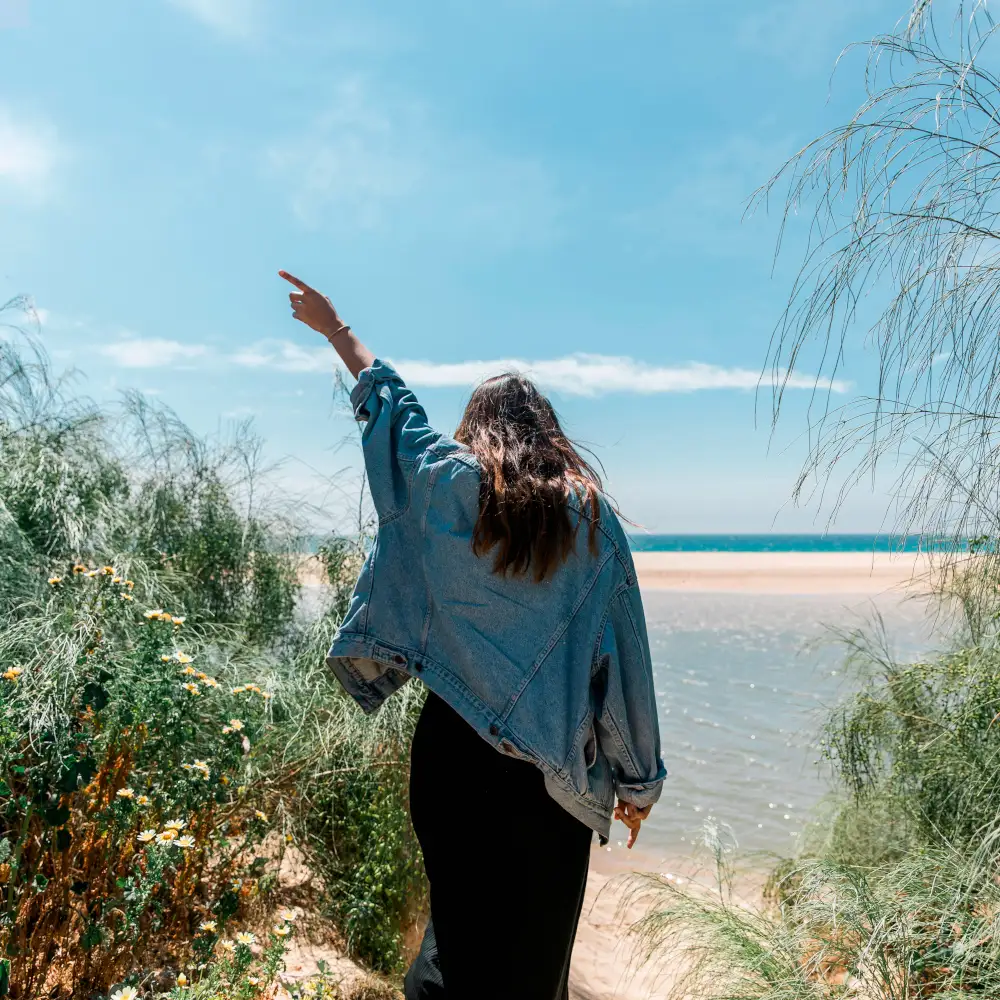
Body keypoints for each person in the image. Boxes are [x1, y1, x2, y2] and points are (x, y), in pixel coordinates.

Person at [280, 270, 667, 1000]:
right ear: (549, 434)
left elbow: (392, 408)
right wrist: (638, 782)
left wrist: (337, 330)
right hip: (545, 779)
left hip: (450, 758)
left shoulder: (440, 482)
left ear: (476, 427)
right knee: (532, 960)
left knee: (455, 936)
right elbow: (624, 663)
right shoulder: (591, 521)